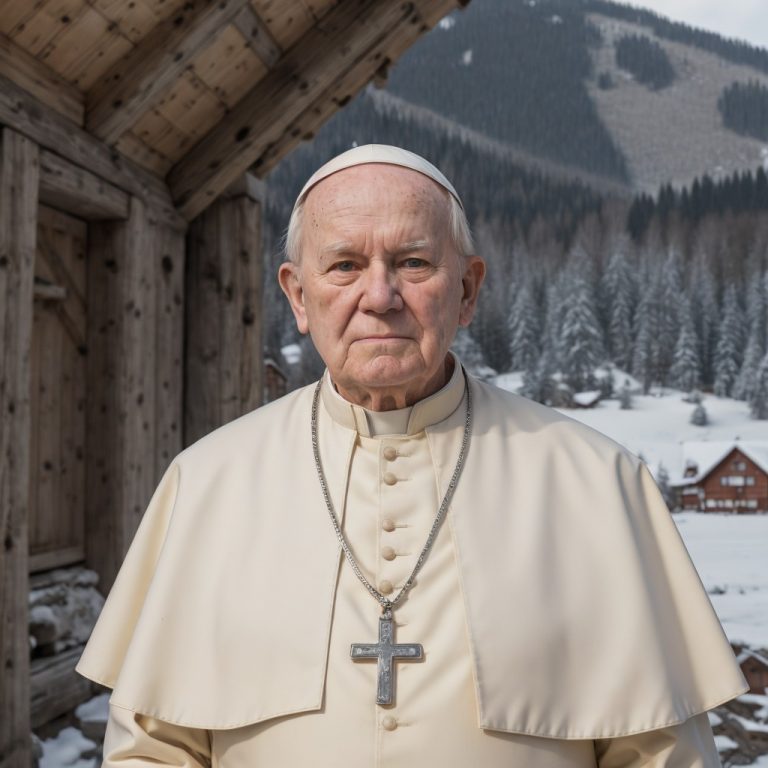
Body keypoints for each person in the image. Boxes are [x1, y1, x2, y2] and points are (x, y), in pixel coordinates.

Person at [78, 144, 747, 767]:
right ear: (298, 295)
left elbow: (662, 754)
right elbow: (153, 751)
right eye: (344, 265)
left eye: (413, 263)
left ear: (468, 289)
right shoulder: (208, 483)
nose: (379, 297)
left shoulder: (595, 482)